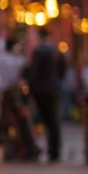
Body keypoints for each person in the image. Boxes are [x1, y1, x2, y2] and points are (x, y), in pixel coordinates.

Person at [27, 28, 66, 162]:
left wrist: (31, 88)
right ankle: (54, 150)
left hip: (41, 90)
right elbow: (63, 71)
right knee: (53, 121)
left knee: (43, 120)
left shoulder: (39, 52)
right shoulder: (56, 52)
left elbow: (33, 72)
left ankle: (45, 149)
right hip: (53, 89)